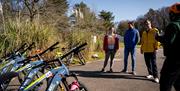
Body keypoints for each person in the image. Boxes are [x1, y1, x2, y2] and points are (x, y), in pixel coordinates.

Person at [156, 2, 180, 91]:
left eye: (170, 13)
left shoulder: (173, 25)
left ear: (173, 13)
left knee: (165, 83)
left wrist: (158, 37)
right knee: (177, 83)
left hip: (174, 59)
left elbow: (168, 41)